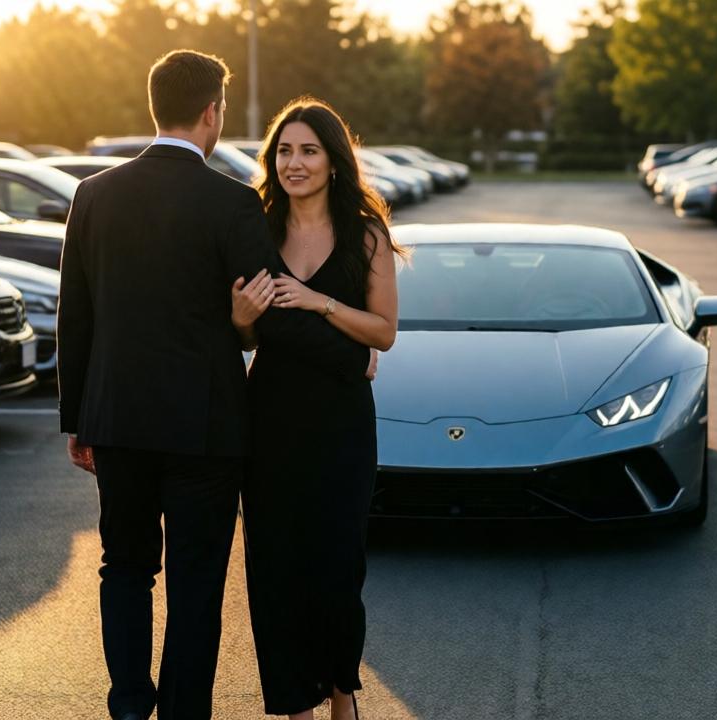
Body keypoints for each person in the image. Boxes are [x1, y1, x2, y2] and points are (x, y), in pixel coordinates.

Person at [58, 52, 370, 720]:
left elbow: (74, 316)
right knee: (196, 586)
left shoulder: (94, 194)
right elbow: (273, 313)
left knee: (125, 569)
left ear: (156, 108)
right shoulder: (229, 203)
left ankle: (129, 708)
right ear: (212, 112)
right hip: (206, 432)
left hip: (116, 423)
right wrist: (350, 357)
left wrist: (75, 420)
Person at [231, 97, 402, 720]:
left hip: (341, 428)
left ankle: (341, 694)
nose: (294, 163)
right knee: (276, 573)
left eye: (308, 151)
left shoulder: (365, 233)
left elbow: (383, 333)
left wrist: (314, 301)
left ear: (334, 161)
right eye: (283, 151)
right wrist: (242, 322)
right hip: (270, 421)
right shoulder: (256, 230)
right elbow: (252, 338)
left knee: (336, 570)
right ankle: (293, 705)